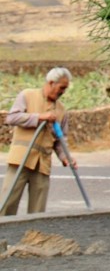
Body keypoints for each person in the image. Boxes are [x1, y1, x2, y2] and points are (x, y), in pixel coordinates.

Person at [0, 66, 76, 215]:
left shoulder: (61, 110)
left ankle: (34, 237)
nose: (62, 92)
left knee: (38, 211)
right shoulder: (27, 95)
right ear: (51, 83)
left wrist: (65, 157)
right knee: (7, 204)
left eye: (65, 89)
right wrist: (39, 117)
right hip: (20, 160)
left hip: (42, 165)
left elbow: (60, 141)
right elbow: (12, 117)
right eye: (61, 88)